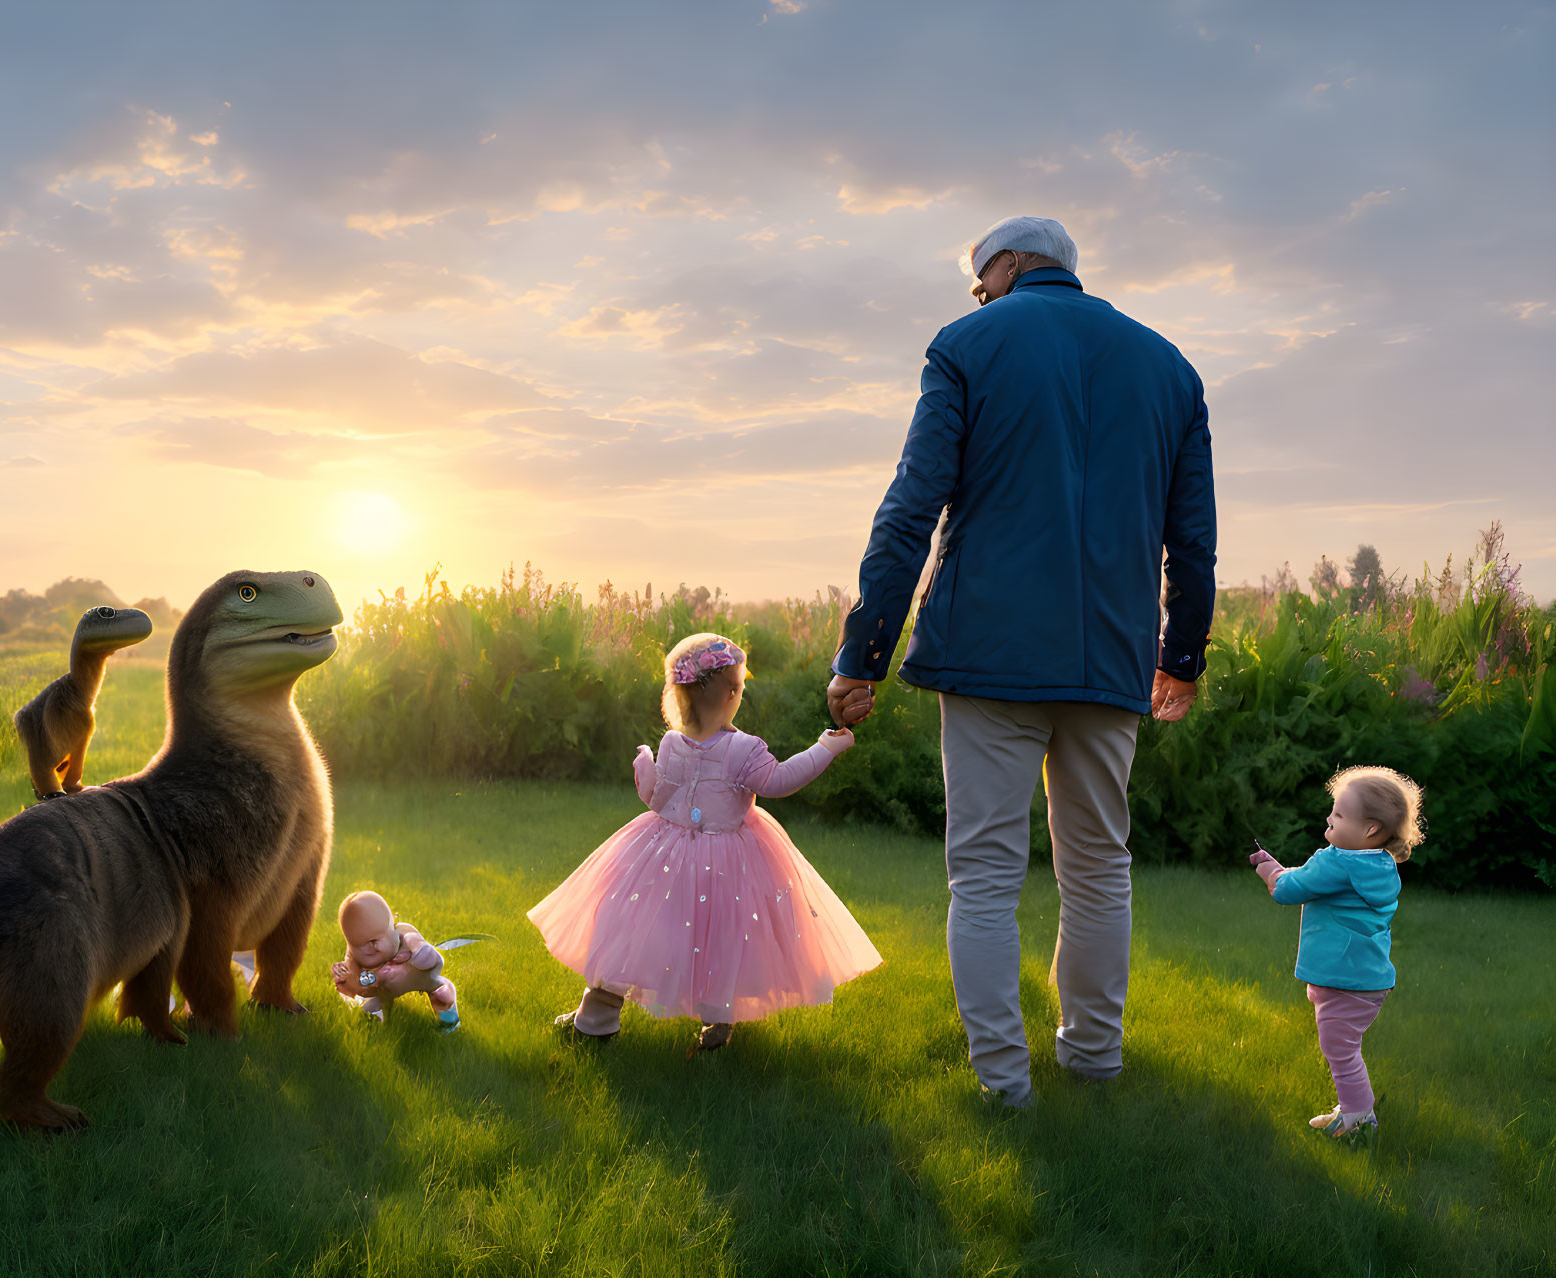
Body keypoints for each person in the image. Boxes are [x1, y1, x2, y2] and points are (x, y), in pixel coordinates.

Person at [826, 215, 1217, 1108]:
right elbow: (1190, 541)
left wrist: (865, 652)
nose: (980, 297)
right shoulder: (1169, 367)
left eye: (980, 282)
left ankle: (1003, 1085)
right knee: (1097, 866)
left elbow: (909, 509)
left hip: (985, 655)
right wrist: (1180, 655)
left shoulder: (967, 344)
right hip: (1112, 659)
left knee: (987, 873)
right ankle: (1093, 1060)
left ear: (1003, 267)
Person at [528, 633, 882, 1054]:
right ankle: (717, 1025)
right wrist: (827, 746)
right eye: (739, 687)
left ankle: (597, 1018)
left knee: (633, 932)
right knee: (722, 938)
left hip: (659, 853)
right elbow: (781, 780)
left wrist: (647, 777)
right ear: (732, 692)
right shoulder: (743, 749)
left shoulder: (672, 742)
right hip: (726, 861)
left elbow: (660, 797)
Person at [1249, 766, 1423, 1144]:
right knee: (1343, 1046)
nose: (1330, 818)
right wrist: (1284, 872)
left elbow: (1288, 890)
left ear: (1370, 830)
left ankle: (1360, 1122)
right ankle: (1350, 1110)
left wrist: (1268, 870)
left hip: (1345, 978)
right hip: (1366, 978)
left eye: (1340, 815)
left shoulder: (1338, 861)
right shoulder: (1377, 864)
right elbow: (1310, 880)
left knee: (1339, 1049)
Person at [333, 890, 461, 1031]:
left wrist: (420, 951)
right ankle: (377, 1025)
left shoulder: (404, 935)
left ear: (392, 927)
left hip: (414, 974)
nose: (371, 948)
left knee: (441, 992)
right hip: (381, 988)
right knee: (370, 1008)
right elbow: (355, 983)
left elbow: (418, 945)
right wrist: (354, 983)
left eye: (375, 940)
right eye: (359, 946)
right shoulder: (353, 958)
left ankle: (449, 1020)